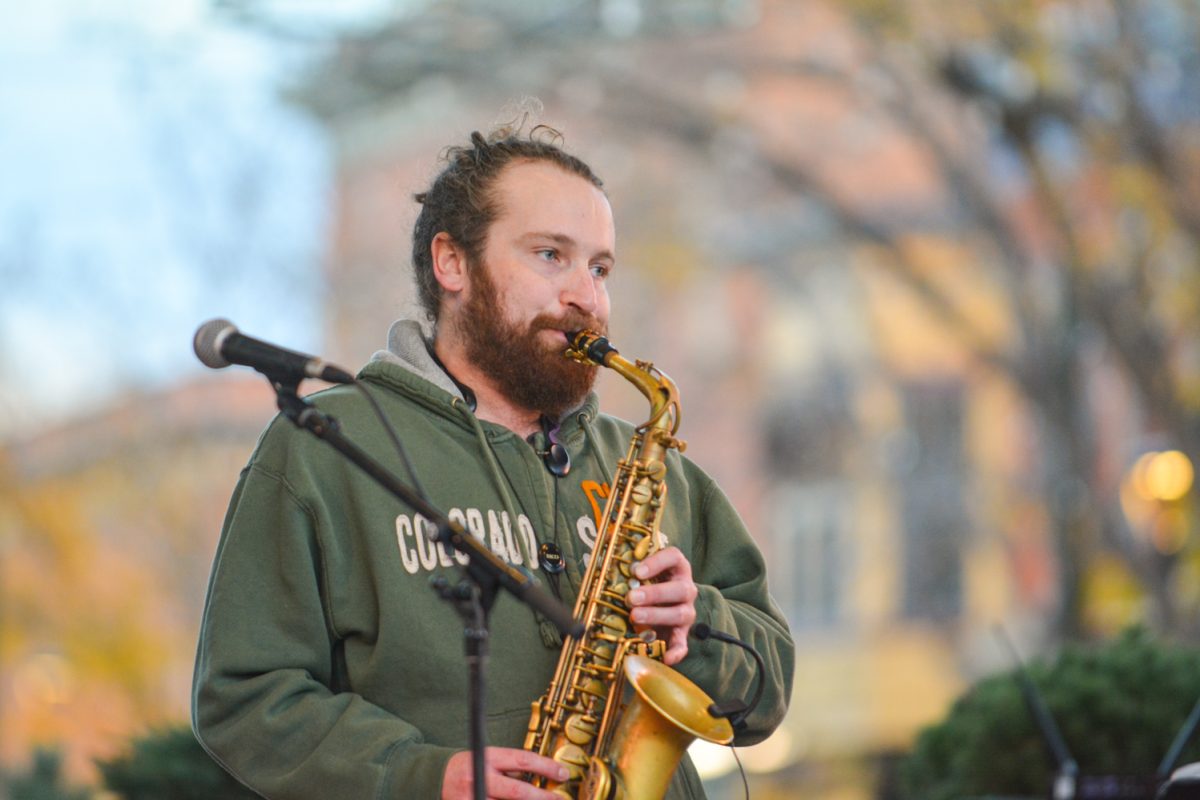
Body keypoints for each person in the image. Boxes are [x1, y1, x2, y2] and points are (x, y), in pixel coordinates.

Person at [192, 123, 795, 800]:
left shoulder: (652, 462)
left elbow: (770, 691)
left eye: (599, 268)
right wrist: (422, 778)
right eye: (550, 255)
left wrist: (697, 625)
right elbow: (242, 699)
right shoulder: (325, 444)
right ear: (452, 263)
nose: (586, 298)